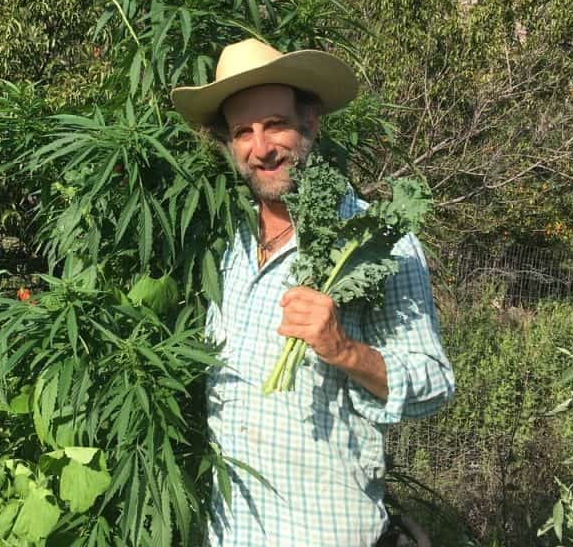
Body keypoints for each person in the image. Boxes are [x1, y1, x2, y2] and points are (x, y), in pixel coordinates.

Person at [171, 39, 455, 547]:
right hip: (229, 532)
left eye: (275, 124)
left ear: (311, 123)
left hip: (323, 532)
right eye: (243, 132)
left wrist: (342, 348)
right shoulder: (225, 244)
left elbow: (434, 383)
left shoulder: (377, 238)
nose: (262, 148)